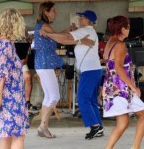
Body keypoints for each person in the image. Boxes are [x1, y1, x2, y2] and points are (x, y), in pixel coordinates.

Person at [41, 10, 103, 139]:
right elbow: (68, 36)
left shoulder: (86, 30)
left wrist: (47, 34)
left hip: (90, 71)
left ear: (88, 21)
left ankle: (95, 126)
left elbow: (66, 38)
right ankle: (99, 127)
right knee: (91, 100)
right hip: (94, 70)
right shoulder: (89, 31)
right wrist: (69, 32)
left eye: (82, 18)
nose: (80, 19)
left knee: (82, 99)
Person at [0, 8, 29, 149]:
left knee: (6, 135)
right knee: (18, 134)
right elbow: (1, 74)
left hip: (8, 92)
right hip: (9, 94)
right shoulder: (5, 44)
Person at [34, 0, 75, 138]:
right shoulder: (44, 26)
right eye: (53, 10)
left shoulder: (44, 26)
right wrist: (79, 40)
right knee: (55, 96)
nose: (56, 13)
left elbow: (56, 37)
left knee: (49, 96)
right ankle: (43, 126)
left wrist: (68, 30)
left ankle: (43, 127)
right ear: (46, 12)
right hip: (45, 64)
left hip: (43, 64)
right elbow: (62, 39)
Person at [102, 15, 144, 149]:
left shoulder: (110, 42)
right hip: (121, 88)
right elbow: (118, 68)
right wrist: (133, 87)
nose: (129, 30)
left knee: (123, 122)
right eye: (128, 27)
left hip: (112, 87)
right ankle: (135, 147)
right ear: (123, 28)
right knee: (143, 115)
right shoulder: (119, 45)